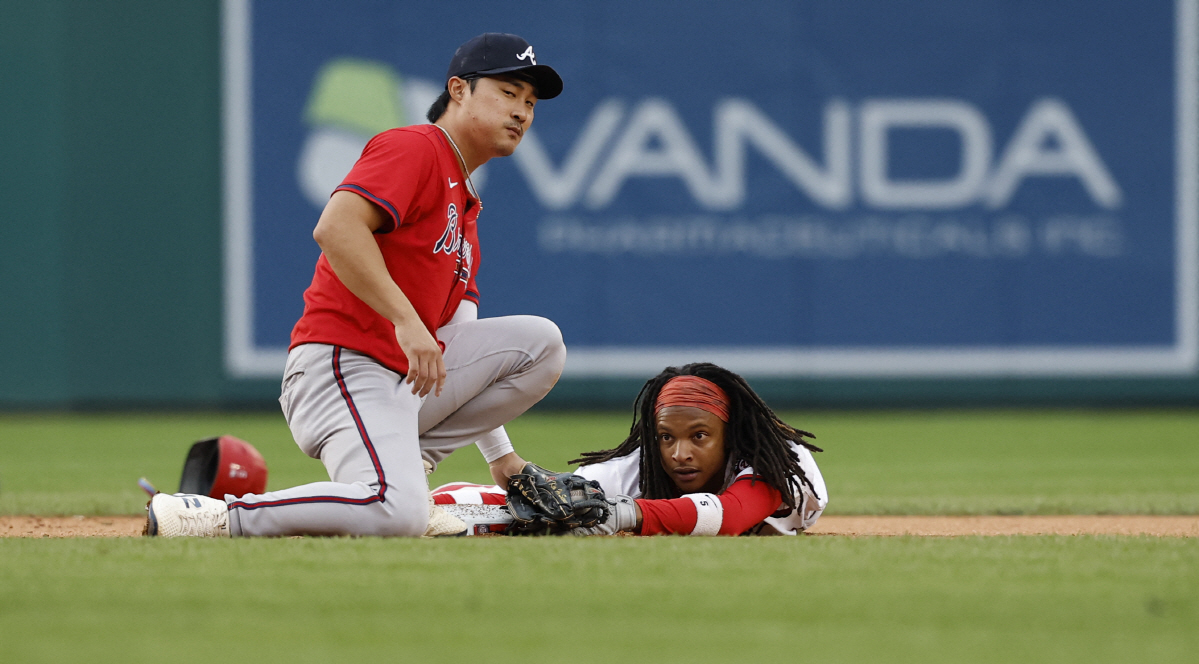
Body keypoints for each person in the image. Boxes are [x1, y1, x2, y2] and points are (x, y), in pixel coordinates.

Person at [146, 33, 566, 538]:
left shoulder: (466, 208)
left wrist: (503, 459)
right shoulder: (416, 147)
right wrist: (408, 320)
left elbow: (460, 353)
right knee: (397, 513)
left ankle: (407, 470)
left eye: (530, 102)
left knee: (541, 345)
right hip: (342, 363)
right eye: (508, 92)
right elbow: (336, 228)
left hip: (395, 383)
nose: (521, 111)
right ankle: (218, 515)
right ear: (458, 90)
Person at [434, 363, 828, 536]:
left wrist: (622, 514)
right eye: (666, 437)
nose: (679, 454)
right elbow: (519, 500)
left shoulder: (776, 463)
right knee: (540, 510)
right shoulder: (636, 471)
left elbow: (730, 517)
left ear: (730, 434)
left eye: (699, 436)